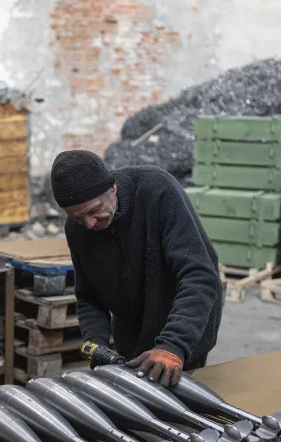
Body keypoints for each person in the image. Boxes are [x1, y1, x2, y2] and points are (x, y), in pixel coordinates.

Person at [52, 150, 223, 387]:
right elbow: (88, 295)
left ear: (113, 188)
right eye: (78, 217)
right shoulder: (77, 228)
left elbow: (200, 276)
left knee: (179, 402)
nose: (89, 224)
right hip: (132, 333)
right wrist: (96, 343)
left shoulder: (157, 190)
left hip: (182, 324)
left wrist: (174, 345)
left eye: (94, 211)